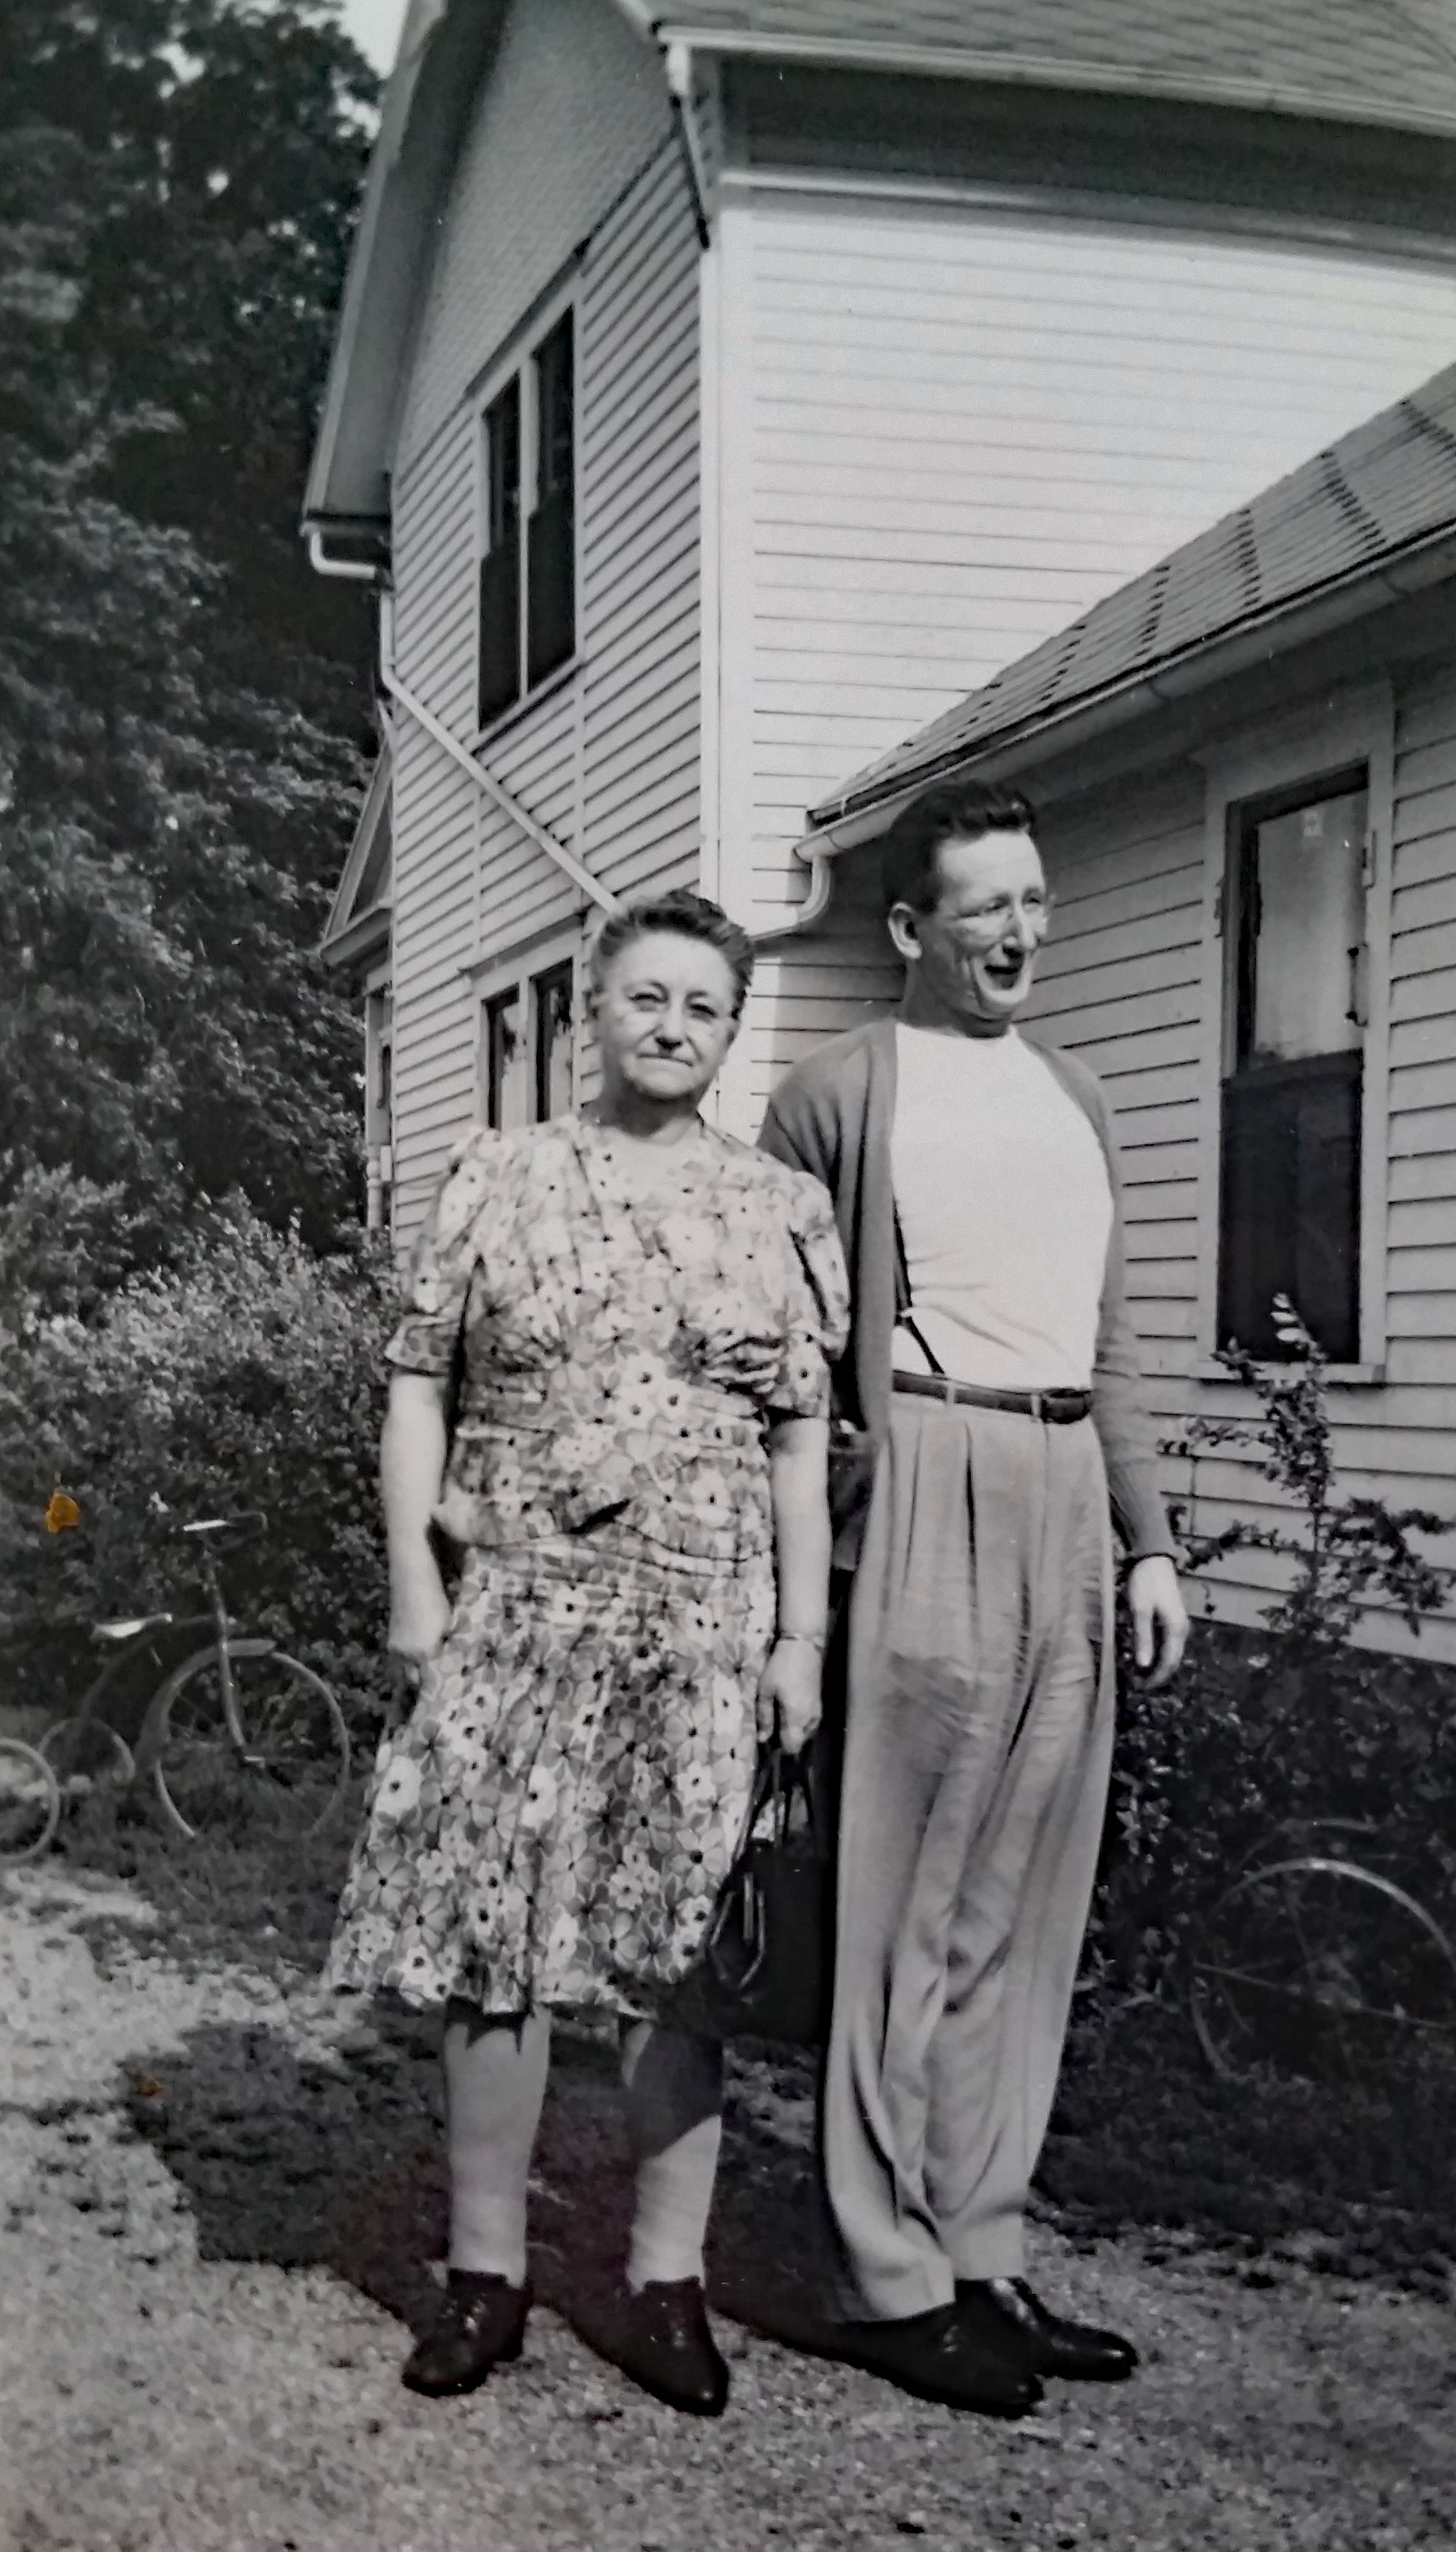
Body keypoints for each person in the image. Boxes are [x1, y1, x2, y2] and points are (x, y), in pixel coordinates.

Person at [327, 889, 849, 2418]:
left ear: (732, 1034)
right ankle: (484, 2276)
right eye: (646, 999)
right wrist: (415, 1592)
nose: (672, 1027)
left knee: (675, 1961)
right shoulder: (499, 1176)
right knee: (493, 1952)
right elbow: (416, 1389)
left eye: (703, 1008)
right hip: (517, 1602)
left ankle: (664, 2282)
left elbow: (804, 1447)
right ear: (589, 1013)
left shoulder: (778, 1212)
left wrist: (799, 1644)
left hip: (701, 1619)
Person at [759, 782, 1189, 2419]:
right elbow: (783, 1338)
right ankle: (885, 2276)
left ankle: (982, 2245)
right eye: (983, 907)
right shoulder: (838, 1093)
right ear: (907, 931)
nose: (1019, 932)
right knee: (902, 1899)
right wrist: (838, 1519)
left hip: (1066, 1494)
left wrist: (1146, 1542)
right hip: (927, 1484)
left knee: (1023, 1902)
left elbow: (1113, 1343)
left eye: (1033, 900)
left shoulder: (1073, 1096)